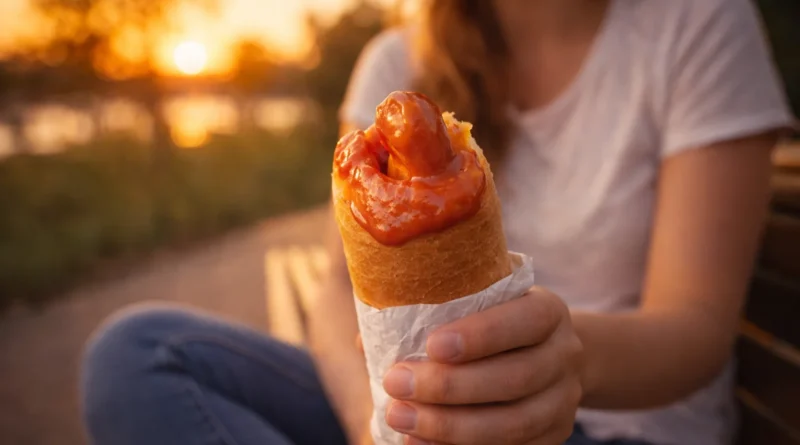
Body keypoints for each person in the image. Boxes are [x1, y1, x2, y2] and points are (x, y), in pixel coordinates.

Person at [80, 0, 794, 444]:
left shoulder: (697, 22)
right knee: (139, 353)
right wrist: (380, 428)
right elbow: (337, 288)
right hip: (412, 419)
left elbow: (697, 325)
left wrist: (571, 360)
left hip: (614, 427)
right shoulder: (396, 57)